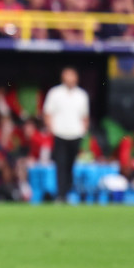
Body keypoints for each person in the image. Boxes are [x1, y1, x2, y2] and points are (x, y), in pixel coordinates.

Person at [42, 67, 90, 202]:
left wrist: (83, 131)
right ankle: (61, 195)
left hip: (76, 134)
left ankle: (67, 192)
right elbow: (48, 113)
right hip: (60, 134)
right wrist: (52, 129)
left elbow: (85, 116)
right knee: (60, 165)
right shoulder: (55, 93)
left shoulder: (81, 95)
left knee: (71, 165)